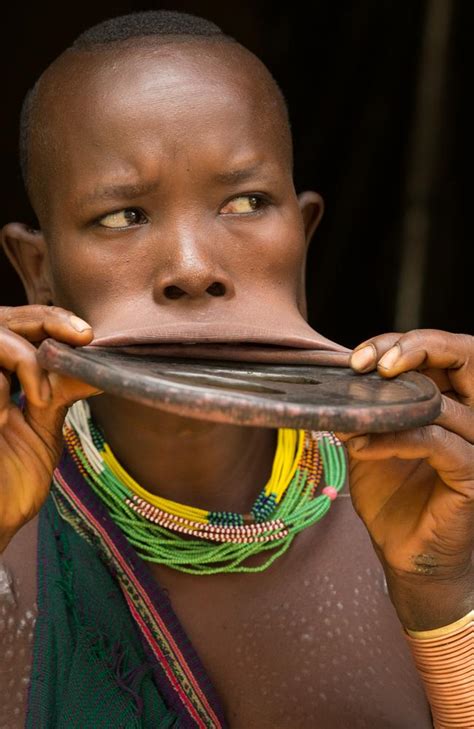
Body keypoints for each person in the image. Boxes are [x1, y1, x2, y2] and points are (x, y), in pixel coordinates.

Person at [0, 10, 472, 728]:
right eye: (124, 215)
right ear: (38, 270)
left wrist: (444, 592)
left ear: (303, 238)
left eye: (247, 203)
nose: (193, 269)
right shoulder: (19, 540)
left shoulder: (430, 504)